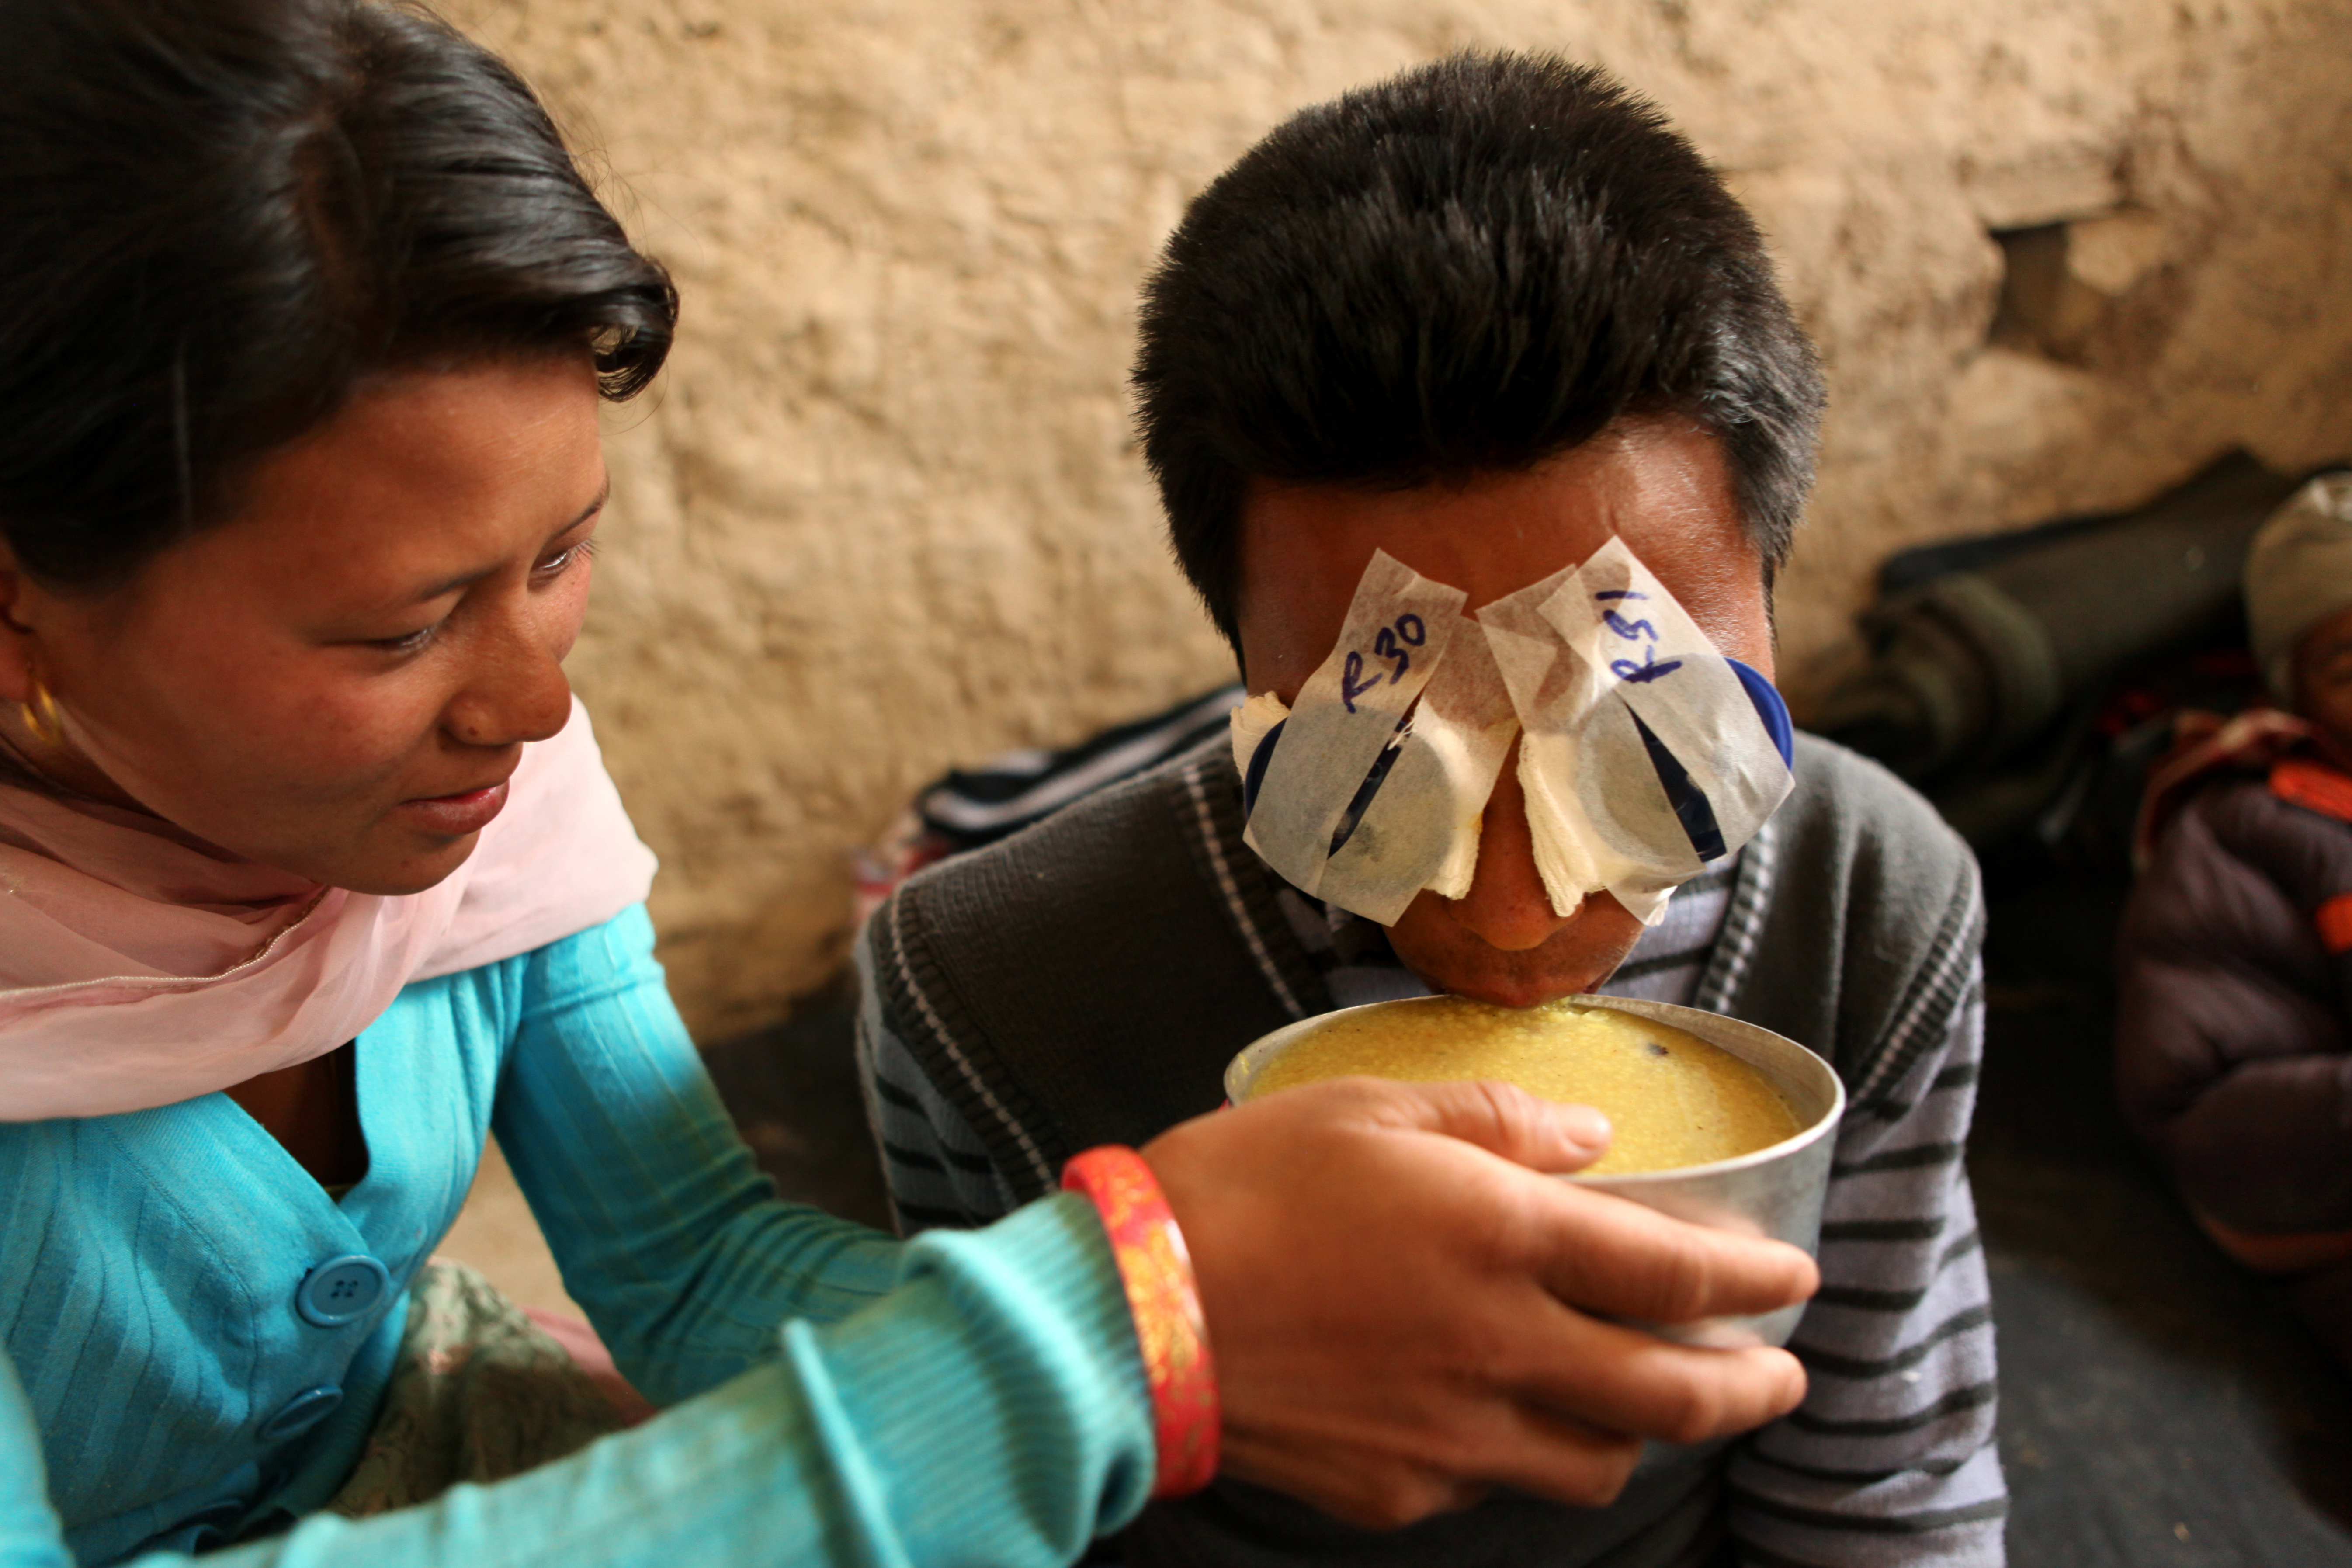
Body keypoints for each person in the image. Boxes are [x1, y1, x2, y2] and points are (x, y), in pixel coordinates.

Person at [0, 4, 1826, 1565]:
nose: (540, 710)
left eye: (560, 555)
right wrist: (1111, 1337)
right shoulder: (984, 967)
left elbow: (696, 1267)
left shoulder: (469, 821)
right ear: (23, 610)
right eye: (402, 630)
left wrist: (1222, 1328)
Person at [859, 53, 2006, 1568]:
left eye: (1651, 750)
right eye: (1380, 776)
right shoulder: (987, 996)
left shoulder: (1874, 907)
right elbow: (990, 1493)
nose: (1520, 914)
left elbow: (1879, 1483)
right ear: (1236, 656)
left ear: (1773, 612)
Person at [2116, 470, 2352, 1368]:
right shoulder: (2249, 821)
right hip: (2275, 1163)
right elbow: (2196, 1104)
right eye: (2350, 669)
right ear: (2290, 694)